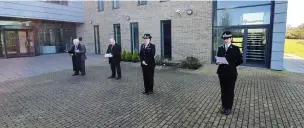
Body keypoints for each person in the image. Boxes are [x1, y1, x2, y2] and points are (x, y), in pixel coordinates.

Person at [216, 31, 243, 115]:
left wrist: (231, 65)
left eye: (227, 38)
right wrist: (217, 62)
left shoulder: (236, 48)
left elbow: (240, 60)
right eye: (224, 39)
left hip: (231, 73)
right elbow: (217, 59)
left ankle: (228, 108)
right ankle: (224, 106)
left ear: (231, 38)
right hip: (222, 73)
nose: (226, 40)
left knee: (230, 91)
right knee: (223, 90)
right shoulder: (220, 48)